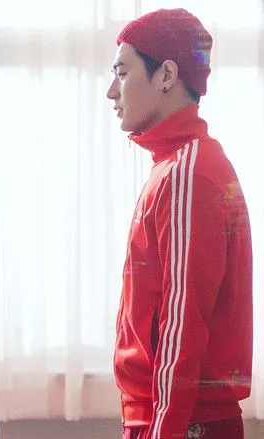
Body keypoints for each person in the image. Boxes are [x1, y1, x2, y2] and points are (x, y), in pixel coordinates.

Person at [106, 8, 253, 439]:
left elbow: (181, 324)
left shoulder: (188, 173)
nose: (112, 92)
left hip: (183, 423)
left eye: (122, 73)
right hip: (172, 418)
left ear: (167, 75)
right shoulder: (175, 166)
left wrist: (163, 429)